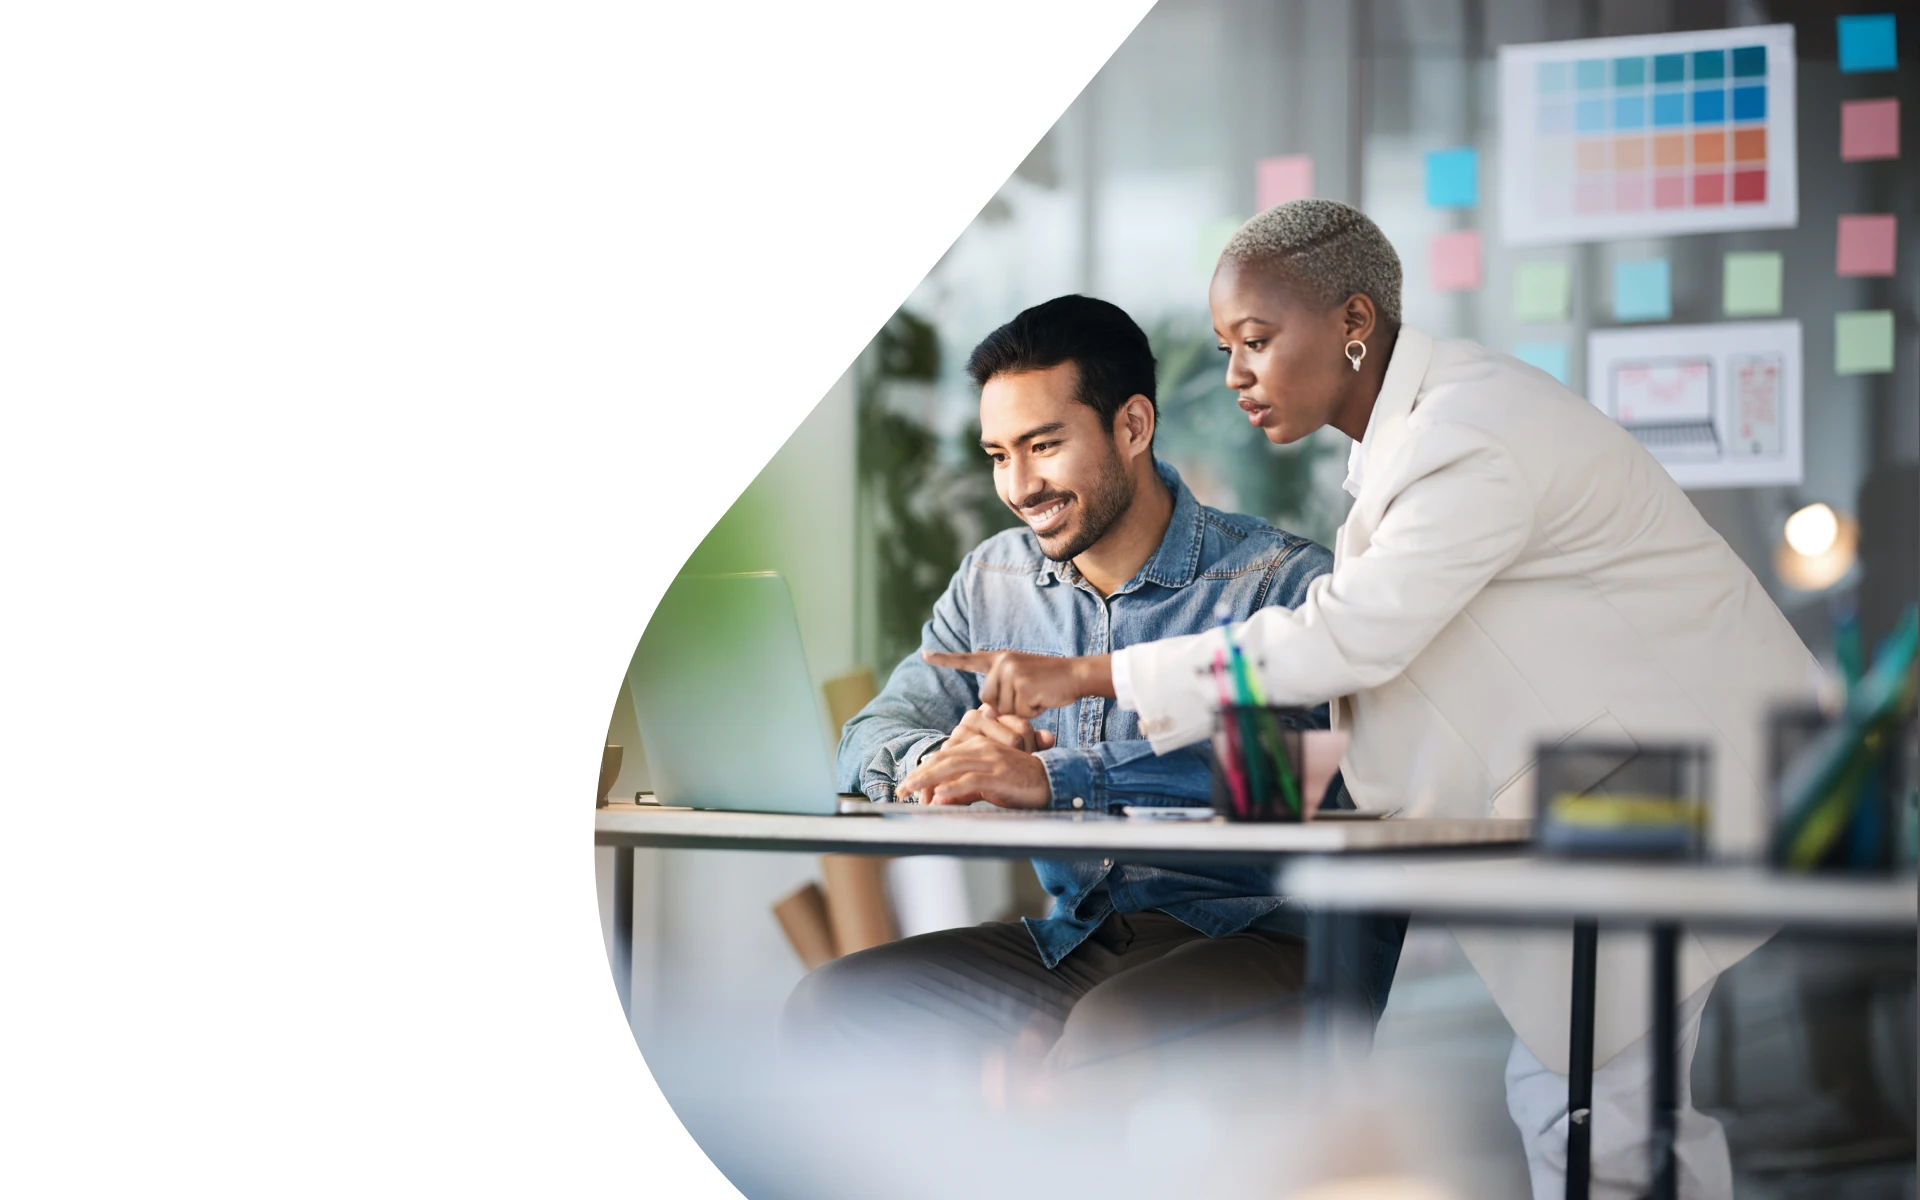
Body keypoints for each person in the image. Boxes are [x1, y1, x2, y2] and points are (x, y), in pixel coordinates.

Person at [923, 200, 1820, 1200]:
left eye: (1257, 341)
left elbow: (1349, 639)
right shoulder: (1407, 444)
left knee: (1601, 1115)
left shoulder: (1465, 435)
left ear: (1353, 322)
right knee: (1591, 1104)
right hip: (1613, 786)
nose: (1234, 376)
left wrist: (1091, 683)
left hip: (1654, 785)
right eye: (1226, 347)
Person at [782, 293, 1403, 1084]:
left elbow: (1316, 775)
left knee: (1109, 1037)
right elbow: (869, 734)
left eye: (1043, 446)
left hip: (1277, 940)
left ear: (1133, 427)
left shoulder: (1278, 583)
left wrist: (1056, 780)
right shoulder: (994, 582)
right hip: (1081, 939)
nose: (1019, 485)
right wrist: (948, 757)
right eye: (999, 454)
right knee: (834, 1009)